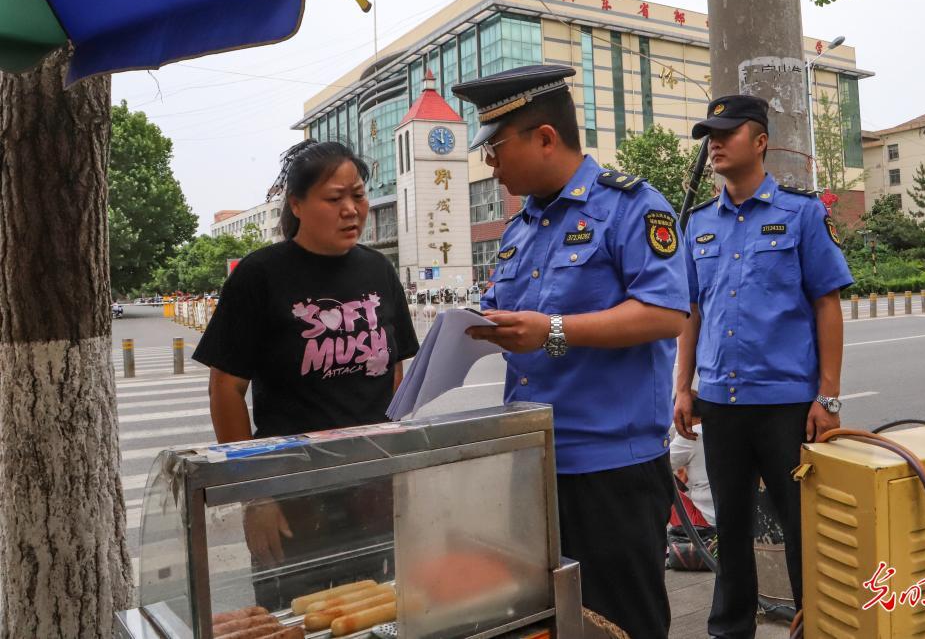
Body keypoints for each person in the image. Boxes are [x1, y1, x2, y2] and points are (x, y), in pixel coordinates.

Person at [456, 64, 690, 639]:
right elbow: (506, 312)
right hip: (534, 462)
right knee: (548, 621)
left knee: (622, 622)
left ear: (544, 137)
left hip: (611, 468)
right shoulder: (520, 228)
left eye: (495, 149)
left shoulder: (631, 206)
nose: (491, 165)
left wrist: (553, 330)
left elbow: (666, 313)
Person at [192, 140, 419, 608]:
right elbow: (226, 390)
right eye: (335, 198)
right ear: (296, 205)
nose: (351, 209)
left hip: (371, 486)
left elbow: (393, 372)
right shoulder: (260, 276)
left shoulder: (379, 270)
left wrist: (392, 465)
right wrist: (256, 495)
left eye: (358, 195)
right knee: (294, 616)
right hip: (290, 496)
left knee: (374, 611)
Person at [673, 95, 854, 639]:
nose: (716, 144)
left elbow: (826, 304)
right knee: (730, 528)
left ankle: (814, 626)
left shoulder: (801, 215)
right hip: (720, 404)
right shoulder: (699, 224)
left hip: (786, 407)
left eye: (727, 133)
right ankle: (729, 630)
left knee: (802, 529)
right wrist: (683, 387)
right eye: (710, 135)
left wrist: (828, 397)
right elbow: (691, 311)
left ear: (760, 141)